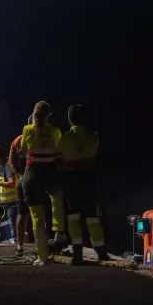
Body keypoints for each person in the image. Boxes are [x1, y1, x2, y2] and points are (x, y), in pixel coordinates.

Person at [58, 104, 110, 264]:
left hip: (71, 181)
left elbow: (59, 159)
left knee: (73, 217)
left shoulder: (65, 139)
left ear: (69, 119)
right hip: (88, 180)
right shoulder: (93, 137)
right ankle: (101, 251)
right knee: (93, 216)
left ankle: (78, 252)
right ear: (83, 118)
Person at [21, 101, 65, 265]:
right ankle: (59, 232)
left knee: (37, 217)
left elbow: (23, 148)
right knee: (56, 198)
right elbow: (59, 150)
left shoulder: (27, 130)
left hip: (32, 174)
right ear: (49, 115)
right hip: (50, 172)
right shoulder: (54, 130)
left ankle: (42, 257)